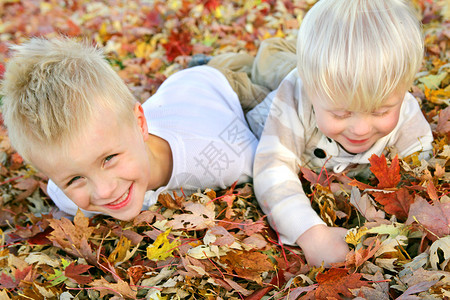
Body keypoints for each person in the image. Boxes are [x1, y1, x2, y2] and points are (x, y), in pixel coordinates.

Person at [235, 0, 432, 267]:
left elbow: (421, 167)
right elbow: (272, 168)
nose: (361, 129)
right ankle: (256, 57)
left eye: (381, 111)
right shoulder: (295, 96)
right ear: (309, 90)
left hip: (319, 74)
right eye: (341, 114)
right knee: (254, 79)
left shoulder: (404, 107)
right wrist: (311, 235)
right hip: (272, 91)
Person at [1, 37, 259, 220]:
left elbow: (277, 152)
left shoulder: (224, 156)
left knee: (275, 66)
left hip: (220, 84)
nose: (103, 191)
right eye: (75, 179)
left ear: (139, 124)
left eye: (109, 159)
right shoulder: (65, 197)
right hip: (173, 98)